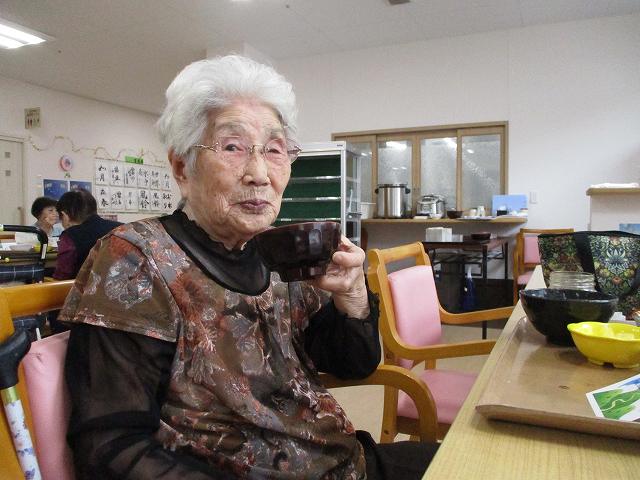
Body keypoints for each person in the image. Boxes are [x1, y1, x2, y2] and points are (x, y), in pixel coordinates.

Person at [59, 55, 438, 479]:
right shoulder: (137, 259)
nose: (259, 174)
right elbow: (111, 449)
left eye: (274, 150)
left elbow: (354, 364)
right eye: (232, 147)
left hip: (345, 462)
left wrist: (352, 295)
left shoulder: (279, 253)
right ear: (182, 167)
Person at [53, 189, 122, 280]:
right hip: (123, 286)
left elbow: (62, 276)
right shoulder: (121, 228)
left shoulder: (69, 237)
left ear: (64, 216)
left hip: (83, 288)